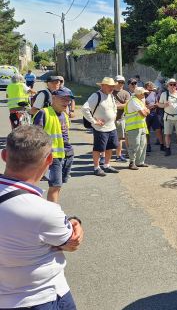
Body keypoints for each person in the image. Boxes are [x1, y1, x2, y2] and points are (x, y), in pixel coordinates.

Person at [0, 126, 84, 309]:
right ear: (49, 159)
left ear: (4, 155)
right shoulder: (44, 211)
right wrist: (75, 222)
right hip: (41, 297)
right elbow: (72, 242)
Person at [33, 88, 74, 202]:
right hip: (53, 155)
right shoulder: (43, 113)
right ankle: (53, 212)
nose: (66, 102)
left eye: (68, 100)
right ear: (53, 98)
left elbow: (64, 136)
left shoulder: (64, 115)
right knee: (55, 186)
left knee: (58, 185)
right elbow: (35, 136)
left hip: (66, 154)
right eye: (63, 99)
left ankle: (52, 209)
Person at [82, 77, 120, 177]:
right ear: (103, 86)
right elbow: (85, 108)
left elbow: (114, 107)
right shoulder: (96, 95)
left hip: (111, 127)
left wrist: (114, 115)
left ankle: (106, 165)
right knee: (98, 148)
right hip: (100, 128)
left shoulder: (110, 95)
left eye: (113, 86)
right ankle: (96, 168)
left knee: (109, 147)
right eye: (109, 86)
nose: (112, 88)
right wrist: (94, 121)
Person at [158, 78, 177, 156]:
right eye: (171, 84)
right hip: (168, 117)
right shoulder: (164, 94)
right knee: (167, 134)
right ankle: (168, 149)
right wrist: (164, 105)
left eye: (174, 84)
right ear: (168, 85)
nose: (173, 86)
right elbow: (159, 104)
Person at [124, 87, 151, 170]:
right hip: (133, 127)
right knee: (135, 145)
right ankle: (132, 163)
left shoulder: (139, 101)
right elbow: (144, 114)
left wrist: (146, 111)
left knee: (142, 145)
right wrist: (146, 111)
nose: (145, 94)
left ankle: (139, 162)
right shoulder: (133, 101)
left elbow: (147, 111)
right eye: (143, 93)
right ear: (139, 94)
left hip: (141, 126)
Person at [113, 75, 132, 163]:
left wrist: (114, 106)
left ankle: (118, 155)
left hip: (120, 119)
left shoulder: (126, 93)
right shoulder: (109, 91)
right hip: (108, 119)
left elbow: (126, 105)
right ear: (115, 82)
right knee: (106, 138)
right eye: (119, 82)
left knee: (120, 139)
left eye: (122, 82)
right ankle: (103, 157)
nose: (121, 84)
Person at [144, 81, 163, 152]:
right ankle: (148, 145)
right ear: (146, 88)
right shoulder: (142, 95)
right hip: (146, 114)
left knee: (158, 130)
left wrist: (155, 105)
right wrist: (147, 106)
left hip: (153, 113)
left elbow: (157, 103)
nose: (151, 89)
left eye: (152, 88)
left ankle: (162, 145)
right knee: (147, 131)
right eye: (149, 88)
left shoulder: (154, 93)